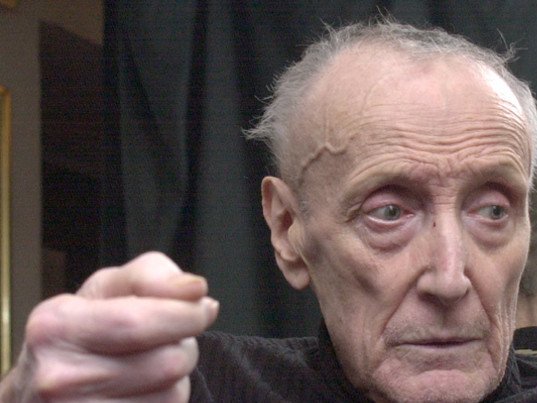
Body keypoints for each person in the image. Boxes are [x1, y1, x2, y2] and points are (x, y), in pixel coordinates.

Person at [2, 20, 537, 402]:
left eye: (492, 211)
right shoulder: (183, 384)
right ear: (287, 229)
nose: (450, 279)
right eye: (390, 212)